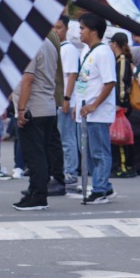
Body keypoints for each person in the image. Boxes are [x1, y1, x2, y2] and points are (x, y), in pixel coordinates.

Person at [13, 19, 63, 210]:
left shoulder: (31, 46)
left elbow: (28, 79)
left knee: (35, 156)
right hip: (47, 106)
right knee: (41, 153)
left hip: (34, 108)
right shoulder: (49, 43)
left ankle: (38, 196)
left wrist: (21, 109)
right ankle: (35, 191)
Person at [75, 13, 117, 204]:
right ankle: (105, 186)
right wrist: (78, 103)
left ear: (93, 31)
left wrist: (94, 104)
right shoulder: (87, 51)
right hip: (84, 112)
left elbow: (110, 82)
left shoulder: (103, 52)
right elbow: (85, 80)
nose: (80, 32)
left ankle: (99, 190)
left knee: (99, 153)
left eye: (82, 28)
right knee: (88, 153)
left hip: (97, 114)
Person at [57, 19, 84, 192]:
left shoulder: (68, 49)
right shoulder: (58, 48)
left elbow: (72, 74)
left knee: (67, 138)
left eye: (59, 27)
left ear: (66, 29)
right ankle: (64, 170)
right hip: (58, 100)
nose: (55, 31)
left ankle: (71, 172)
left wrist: (66, 98)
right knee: (61, 138)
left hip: (66, 101)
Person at [110, 31, 136, 178]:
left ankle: (123, 167)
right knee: (120, 134)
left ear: (115, 44)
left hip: (122, 103)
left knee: (120, 136)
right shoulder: (121, 60)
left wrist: (119, 101)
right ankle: (122, 165)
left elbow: (121, 82)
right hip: (121, 102)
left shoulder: (122, 60)